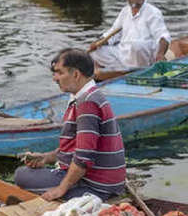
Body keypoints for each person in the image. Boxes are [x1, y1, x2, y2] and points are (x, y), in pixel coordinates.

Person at [14, 49, 126, 201]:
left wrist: (61, 188)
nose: (55, 78)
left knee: (21, 175)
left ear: (76, 74)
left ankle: (75, 192)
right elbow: (78, 146)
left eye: (60, 73)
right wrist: (47, 158)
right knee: (28, 173)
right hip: (103, 182)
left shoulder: (87, 103)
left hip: (96, 186)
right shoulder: (89, 96)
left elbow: (84, 157)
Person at [89, 0, 171, 74]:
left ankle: (135, 70)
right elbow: (113, 33)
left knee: (136, 46)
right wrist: (98, 42)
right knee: (96, 52)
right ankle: (121, 70)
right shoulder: (125, 11)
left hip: (142, 55)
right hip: (124, 53)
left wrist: (160, 54)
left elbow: (163, 36)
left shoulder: (153, 13)